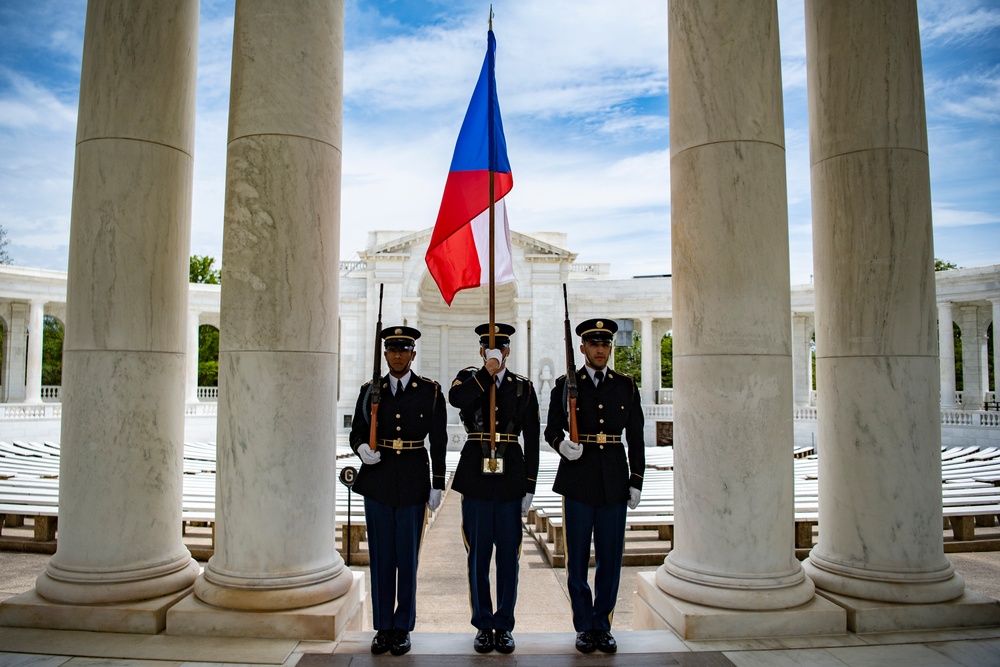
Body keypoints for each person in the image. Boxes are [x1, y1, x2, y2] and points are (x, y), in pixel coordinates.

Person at [544, 318, 644, 654]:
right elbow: (551, 429)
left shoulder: (626, 386)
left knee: (610, 557)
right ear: (583, 348)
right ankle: (584, 626)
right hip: (578, 478)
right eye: (593, 343)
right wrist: (561, 445)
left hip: (614, 478)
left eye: (605, 343)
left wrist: (636, 481)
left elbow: (637, 438)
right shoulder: (565, 385)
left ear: (609, 347)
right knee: (576, 560)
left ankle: (603, 624)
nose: (600, 349)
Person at [349, 325, 448, 656]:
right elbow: (357, 431)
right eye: (392, 350)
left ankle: (402, 626)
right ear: (386, 354)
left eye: (403, 350)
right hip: (378, 480)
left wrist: (437, 483)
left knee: (407, 558)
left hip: (412, 480)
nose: (397, 355)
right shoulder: (370, 391)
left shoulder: (430, 391)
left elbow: (439, 441)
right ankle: (383, 627)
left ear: (412, 354)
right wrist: (362, 448)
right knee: (380, 557)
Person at [449, 322, 540, 655]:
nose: (494, 355)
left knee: (508, 556)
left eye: (498, 350)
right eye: (487, 350)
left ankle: (503, 624)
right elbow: (456, 398)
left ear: (507, 351)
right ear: (480, 352)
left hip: (511, 474)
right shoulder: (469, 379)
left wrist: (530, 485)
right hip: (475, 474)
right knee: (478, 555)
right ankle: (483, 623)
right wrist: (485, 373)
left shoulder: (523, 388)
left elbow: (531, 438)